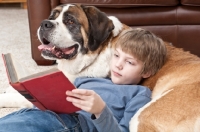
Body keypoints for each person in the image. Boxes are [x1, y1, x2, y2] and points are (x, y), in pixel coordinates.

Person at [0, 28, 166, 132]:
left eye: (129, 62)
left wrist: (100, 111)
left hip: (72, 123)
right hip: (38, 114)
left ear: (147, 72)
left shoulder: (139, 94)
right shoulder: (88, 79)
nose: (118, 65)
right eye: (116, 56)